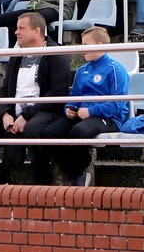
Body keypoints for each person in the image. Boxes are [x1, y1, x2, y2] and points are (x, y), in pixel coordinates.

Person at [0, 12, 70, 184]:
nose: (16, 32)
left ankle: (42, 183)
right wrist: (5, 113)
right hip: (15, 111)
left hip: (45, 111)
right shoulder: (17, 55)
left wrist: (26, 116)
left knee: (32, 130)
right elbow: (4, 90)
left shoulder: (56, 55)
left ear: (37, 31)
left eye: (21, 28)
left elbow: (57, 95)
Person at [40, 27, 129, 187]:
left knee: (78, 131)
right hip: (82, 115)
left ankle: (79, 169)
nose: (82, 49)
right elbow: (75, 95)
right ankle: (76, 174)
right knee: (49, 132)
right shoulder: (82, 71)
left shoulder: (116, 69)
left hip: (108, 118)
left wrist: (90, 111)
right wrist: (69, 108)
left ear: (99, 45)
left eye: (86, 44)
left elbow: (117, 104)